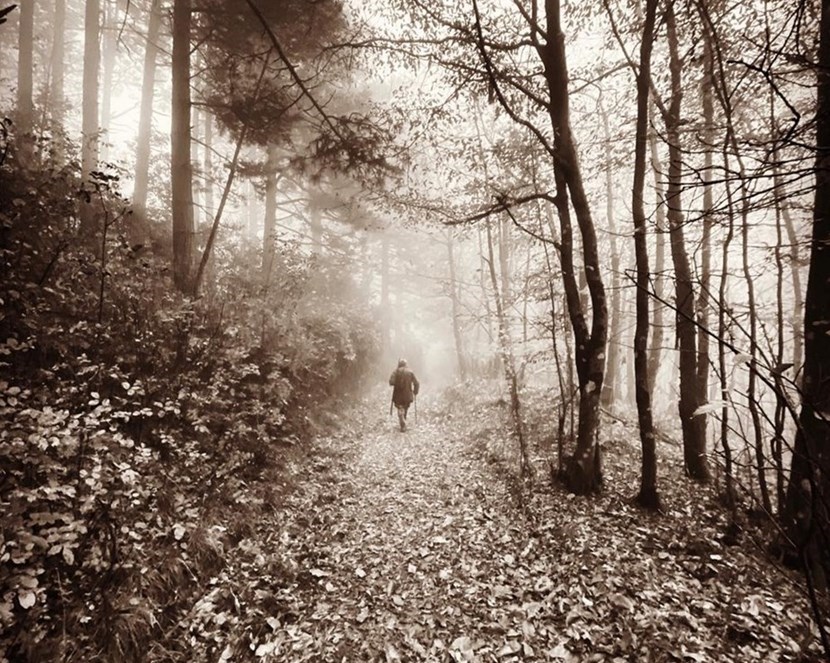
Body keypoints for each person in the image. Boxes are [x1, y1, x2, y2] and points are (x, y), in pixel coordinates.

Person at [389, 358, 419, 432]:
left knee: (400, 406)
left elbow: (391, 382)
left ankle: (402, 420)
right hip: (407, 395)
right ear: (406, 364)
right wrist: (415, 392)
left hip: (398, 395)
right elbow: (416, 383)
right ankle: (403, 421)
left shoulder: (396, 371)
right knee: (405, 407)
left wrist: (397, 382)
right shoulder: (410, 372)